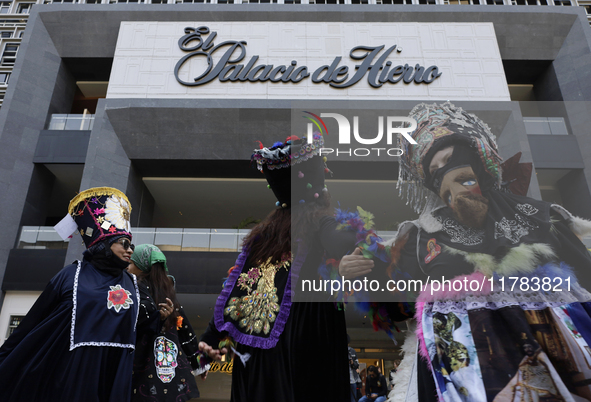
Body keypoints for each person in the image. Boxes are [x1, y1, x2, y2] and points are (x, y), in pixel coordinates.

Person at [340, 102, 591, 402]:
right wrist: (358, 273)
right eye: (433, 172)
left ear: (475, 155)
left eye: (448, 159)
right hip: (469, 377)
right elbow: (398, 303)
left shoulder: (540, 216)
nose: (444, 177)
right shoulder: (422, 236)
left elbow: (586, 276)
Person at [197, 134, 385, 401]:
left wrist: (209, 340)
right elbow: (346, 241)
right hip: (305, 343)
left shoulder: (261, 239)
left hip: (255, 354)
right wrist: (343, 262)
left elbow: (235, 293)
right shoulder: (321, 221)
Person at [0, 187, 139, 402]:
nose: (130, 250)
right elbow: (33, 322)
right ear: (103, 244)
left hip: (115, 376)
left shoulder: (132, 283)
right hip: (72, 375)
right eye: (125, 243)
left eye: (132, 245)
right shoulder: (70, 275)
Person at [127, 244, 204, 401]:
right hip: (171, 370)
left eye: (131, 263)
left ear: (141, 267)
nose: (127, 267)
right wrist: (198, 363)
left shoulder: (133, 288)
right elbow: (186, 331)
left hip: (143, 366)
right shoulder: (167, 291)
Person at [349, 334, 362, 402]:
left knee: (353, 399)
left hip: (352, 379)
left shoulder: (352, 351)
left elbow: (357, 364)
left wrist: (352, 363)